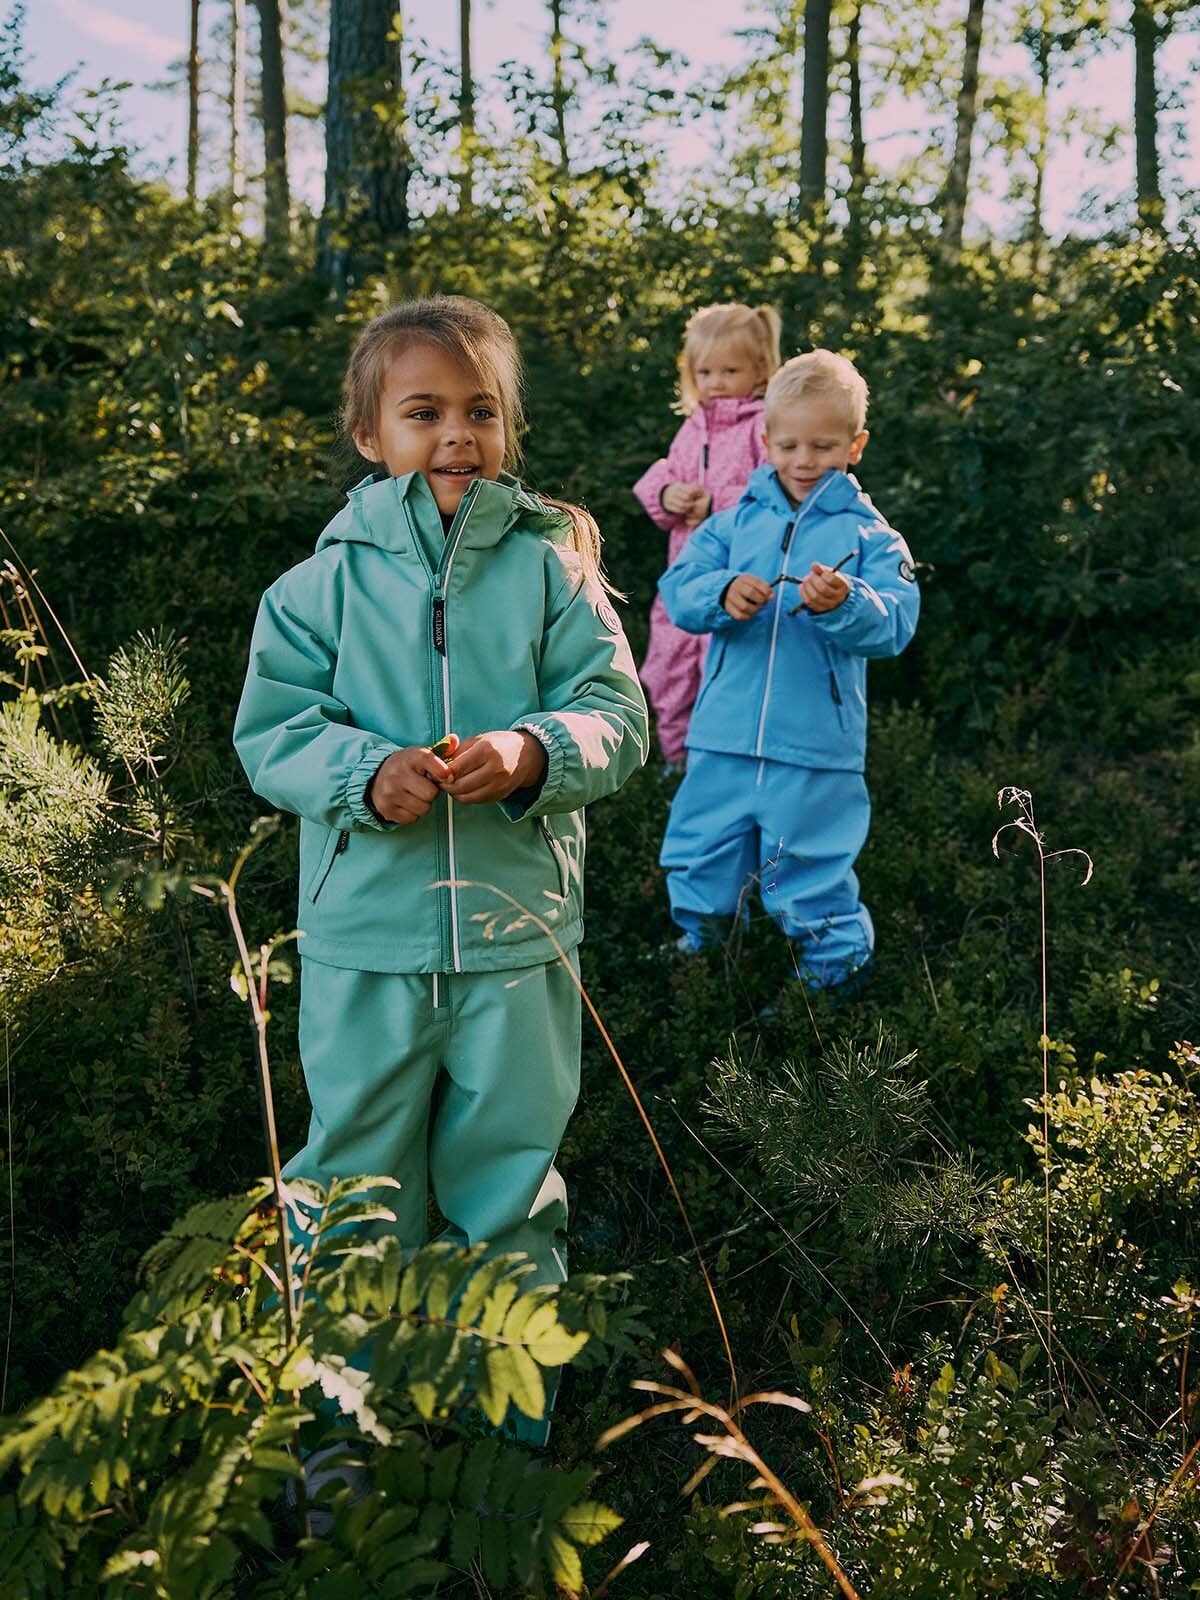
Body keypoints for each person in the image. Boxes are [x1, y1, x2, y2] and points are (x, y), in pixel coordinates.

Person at [233, 295, 649, 1446]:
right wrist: (366, 772)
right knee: (352, 1188)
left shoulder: (551, 569)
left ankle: (503, 1445)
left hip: (519, 941)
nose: (455, 434)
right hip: (367, 940)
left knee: (505, 1186)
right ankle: (333, 1443)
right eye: (424, 412)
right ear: (371, 434)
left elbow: (619, 714)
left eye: (480, 410)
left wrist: (533, 750)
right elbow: (271, 733)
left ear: (507, 427)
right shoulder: (314, 590)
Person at [657, 349, 919, 988]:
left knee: (808, 866)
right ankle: (704, 956)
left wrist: (847, 602)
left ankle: (832, 977)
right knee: (700, 851)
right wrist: (722, 594)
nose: (805, 461)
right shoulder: (732, 522)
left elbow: (895, 623)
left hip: (814, 746)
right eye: (791, 445)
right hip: (722, 733)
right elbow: (679, 586)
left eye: (824, 446)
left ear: (855, 446)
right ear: (767, 441)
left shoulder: (872, 538)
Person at [632, 303, 782, 767]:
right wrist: (669, 493)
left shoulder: (765, 427)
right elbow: (659, 480)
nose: (715, 382)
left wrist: (717, 502)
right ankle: (677, 763)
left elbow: (775, 494)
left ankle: (724, 766)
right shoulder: (690, 428)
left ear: (759, 371)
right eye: (705, 371)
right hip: (686, 579)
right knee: (671, 671)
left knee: (729, 675)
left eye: (729, 370)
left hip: (740, 580)